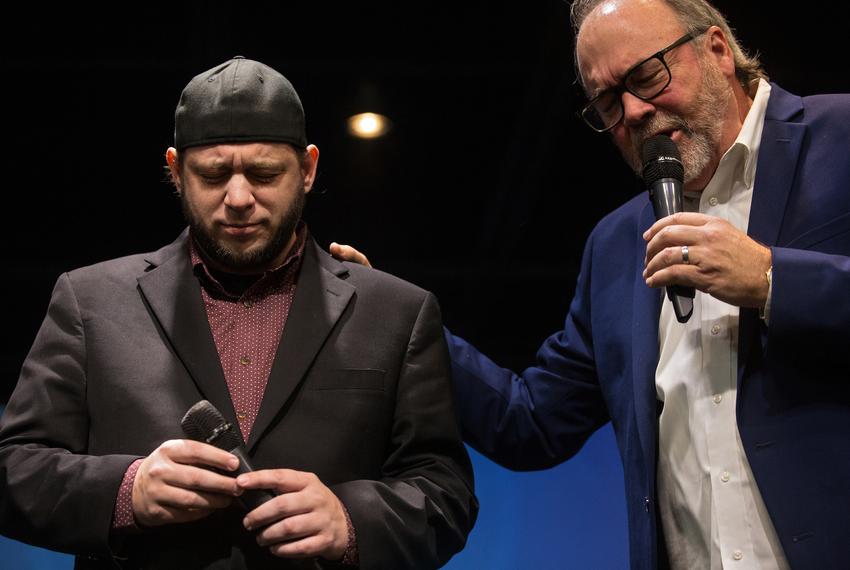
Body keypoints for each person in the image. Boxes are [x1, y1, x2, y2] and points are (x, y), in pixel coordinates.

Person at [331, 0, 850, 568]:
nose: (632, 112)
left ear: (718, 50)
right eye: (607, 103)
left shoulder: (839, 137)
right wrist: (402, 319)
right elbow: (530, 422)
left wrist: (771, 279)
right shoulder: (617, 244)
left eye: (647, 77)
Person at [0, 56, 477, 570]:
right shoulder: (90, 300)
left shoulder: (398, 311)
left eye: (265, 173)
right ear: (176, 171)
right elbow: (13, 470)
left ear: (309, 169)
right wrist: (125, 491)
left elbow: (446, 492)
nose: (239, 197)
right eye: (212, 174)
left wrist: (352, 519)